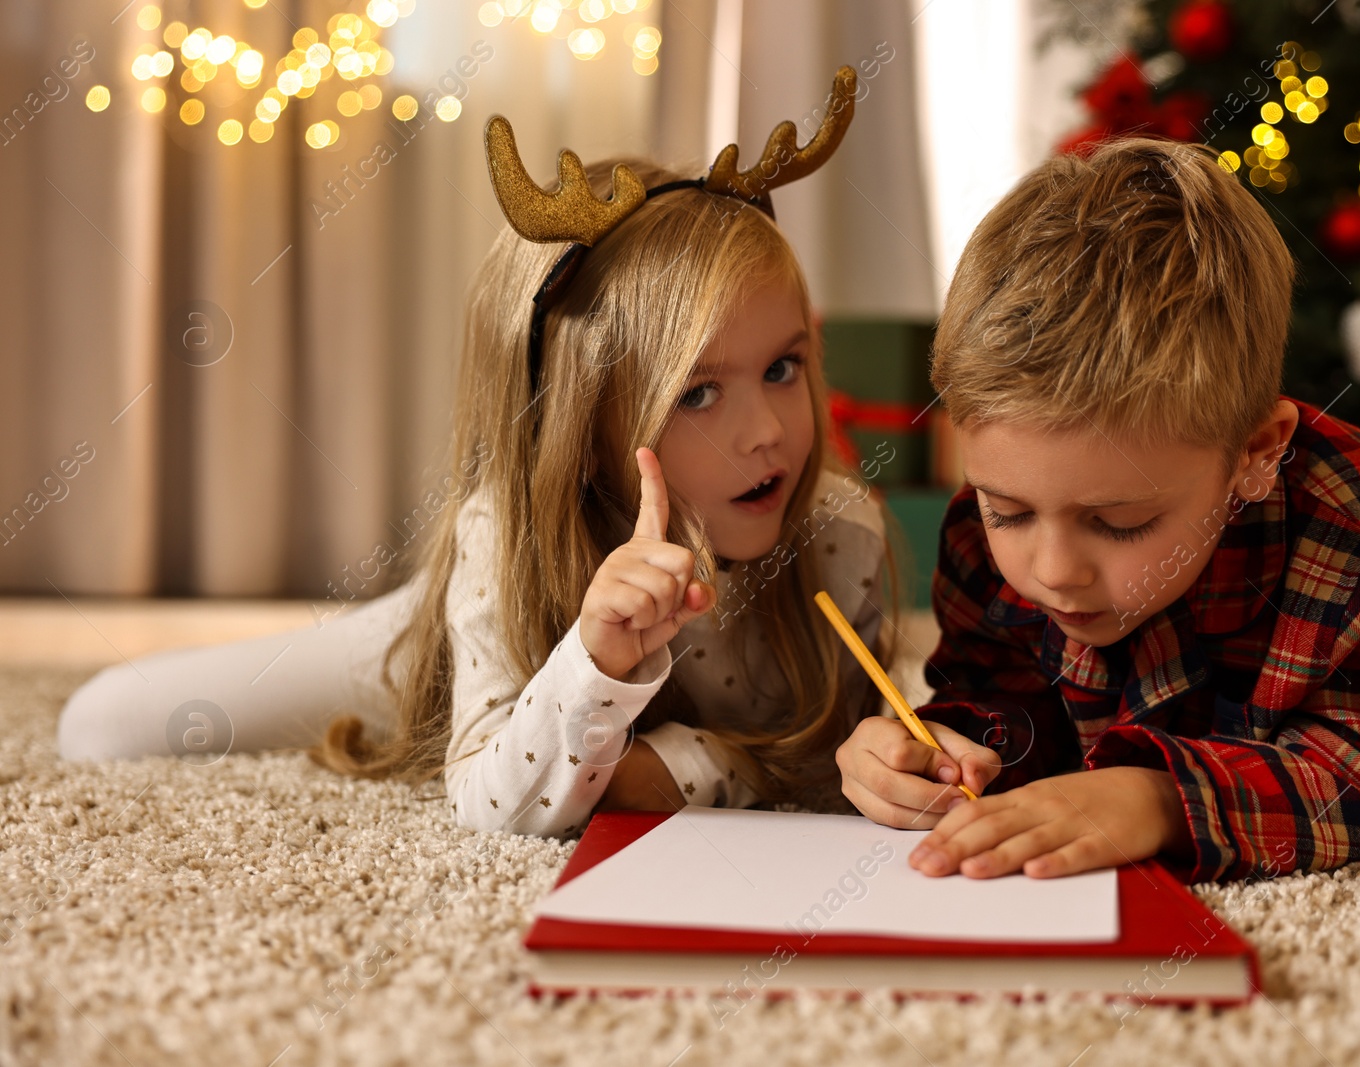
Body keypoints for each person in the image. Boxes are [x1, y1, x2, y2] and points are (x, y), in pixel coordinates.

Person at [60, 67, 893, 838]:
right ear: (580, 421)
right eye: (698, 393)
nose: (769, 431)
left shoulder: (841, 536)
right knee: (107, 724)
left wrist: (671, 769)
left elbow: (827, 760)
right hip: (435, 649)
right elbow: (495, 802)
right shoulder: (506, 534)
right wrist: (595, 664)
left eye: (782, 368)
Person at [836, 136, 1360, 884]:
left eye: (1120, 522)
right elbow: (1010, 694)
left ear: (1257, 452)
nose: (1052, 569)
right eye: (1010, 512)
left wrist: (1158, 798)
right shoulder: (984, 534)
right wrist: (949, 745)